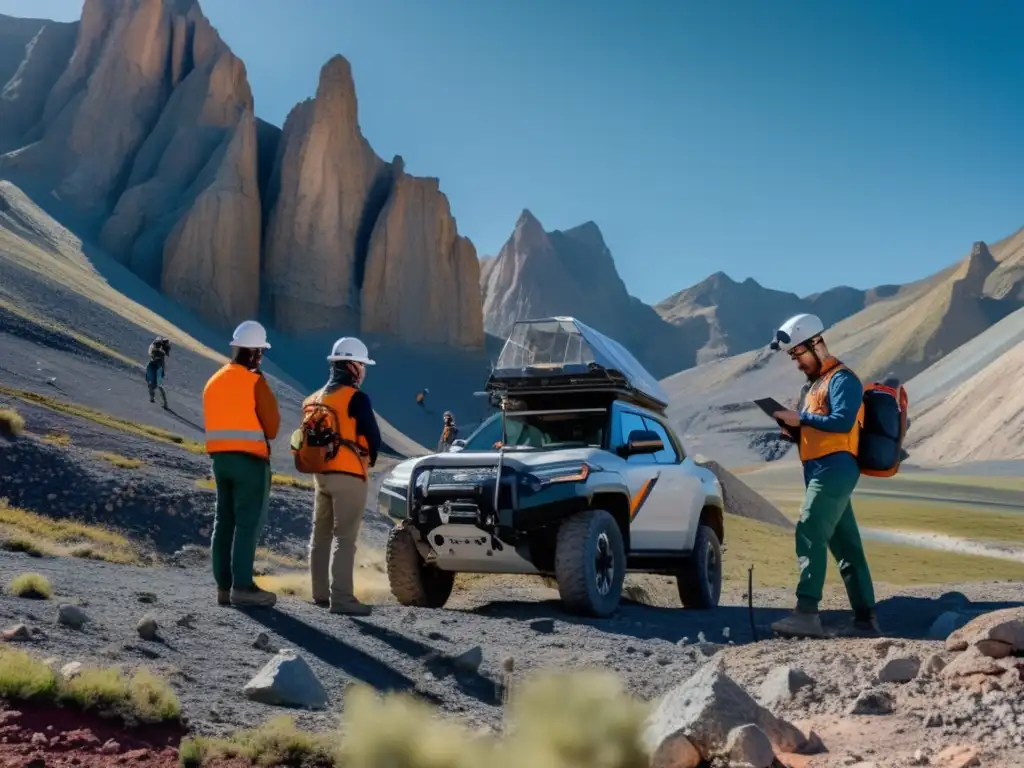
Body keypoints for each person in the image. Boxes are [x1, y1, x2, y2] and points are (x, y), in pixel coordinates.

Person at [768, 313, 878, 638]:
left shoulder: (844, 380)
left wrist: (800, 418)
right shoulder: (813, 386)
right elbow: (816, 424)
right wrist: (793, 428)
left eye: (798, 354)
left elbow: (843, 422)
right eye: (793, 357)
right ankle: (865, 619)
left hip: (835, 467)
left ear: (816, 344)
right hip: (818, 467)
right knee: (846, 545)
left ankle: (806, 613)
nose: (797, 363)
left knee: (809, 529)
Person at [202, 320, 280, 608]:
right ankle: (244, 587)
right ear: (257, 353)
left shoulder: (214, 380)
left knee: (223, 522)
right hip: (250, 461)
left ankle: (223, 587)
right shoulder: (254, 381)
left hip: (220, 460)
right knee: (247, 523)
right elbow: (271, 427)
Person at [304, 336, 382, 616]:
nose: (363, 370)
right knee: (345, 537)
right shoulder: (356, 398)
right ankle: (342, 599)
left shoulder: (312, 398)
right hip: (348, 473)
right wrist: (368, 459)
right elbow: (374, 437)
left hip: (320, 475)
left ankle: (319, 593)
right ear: (352, 366)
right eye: (361, 365)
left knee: (321, 534)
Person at [146, 337, 171, 405]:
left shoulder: (161, 350)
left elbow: (164, 352)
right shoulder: (157, 346)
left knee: (158, 385)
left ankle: (164, 402)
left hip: (158, 368)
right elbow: (152, 351)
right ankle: (153, 397)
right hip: (153, 366)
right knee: (151, 383)